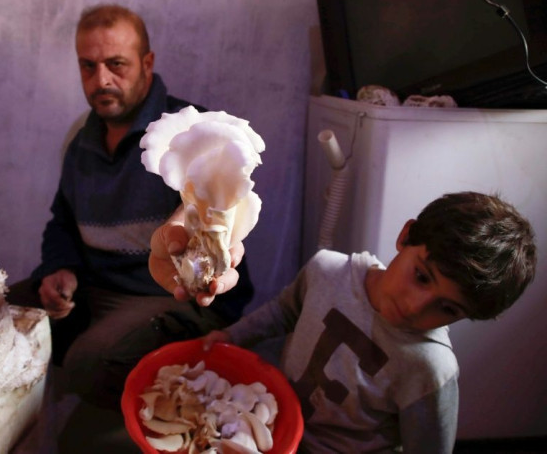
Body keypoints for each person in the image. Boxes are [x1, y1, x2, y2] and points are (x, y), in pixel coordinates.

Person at [150, 191, 537, 453]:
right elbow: (283, 311)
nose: (416, 307)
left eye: (447, 309)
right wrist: (230, 336)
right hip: (272, 425)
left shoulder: (431, 368)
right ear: (406, 235)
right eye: (421, 276)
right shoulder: (328, 269)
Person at [12, 4, 254, 410]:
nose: (101, 79)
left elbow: (218, 221)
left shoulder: (192, 133)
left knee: (89, 362)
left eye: (116, 64)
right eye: (87, 66)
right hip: (95, 287)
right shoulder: (82, 138)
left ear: (147, 63)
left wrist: (195, 221)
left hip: (167, 296)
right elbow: (63, 222)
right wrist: (58, 270)